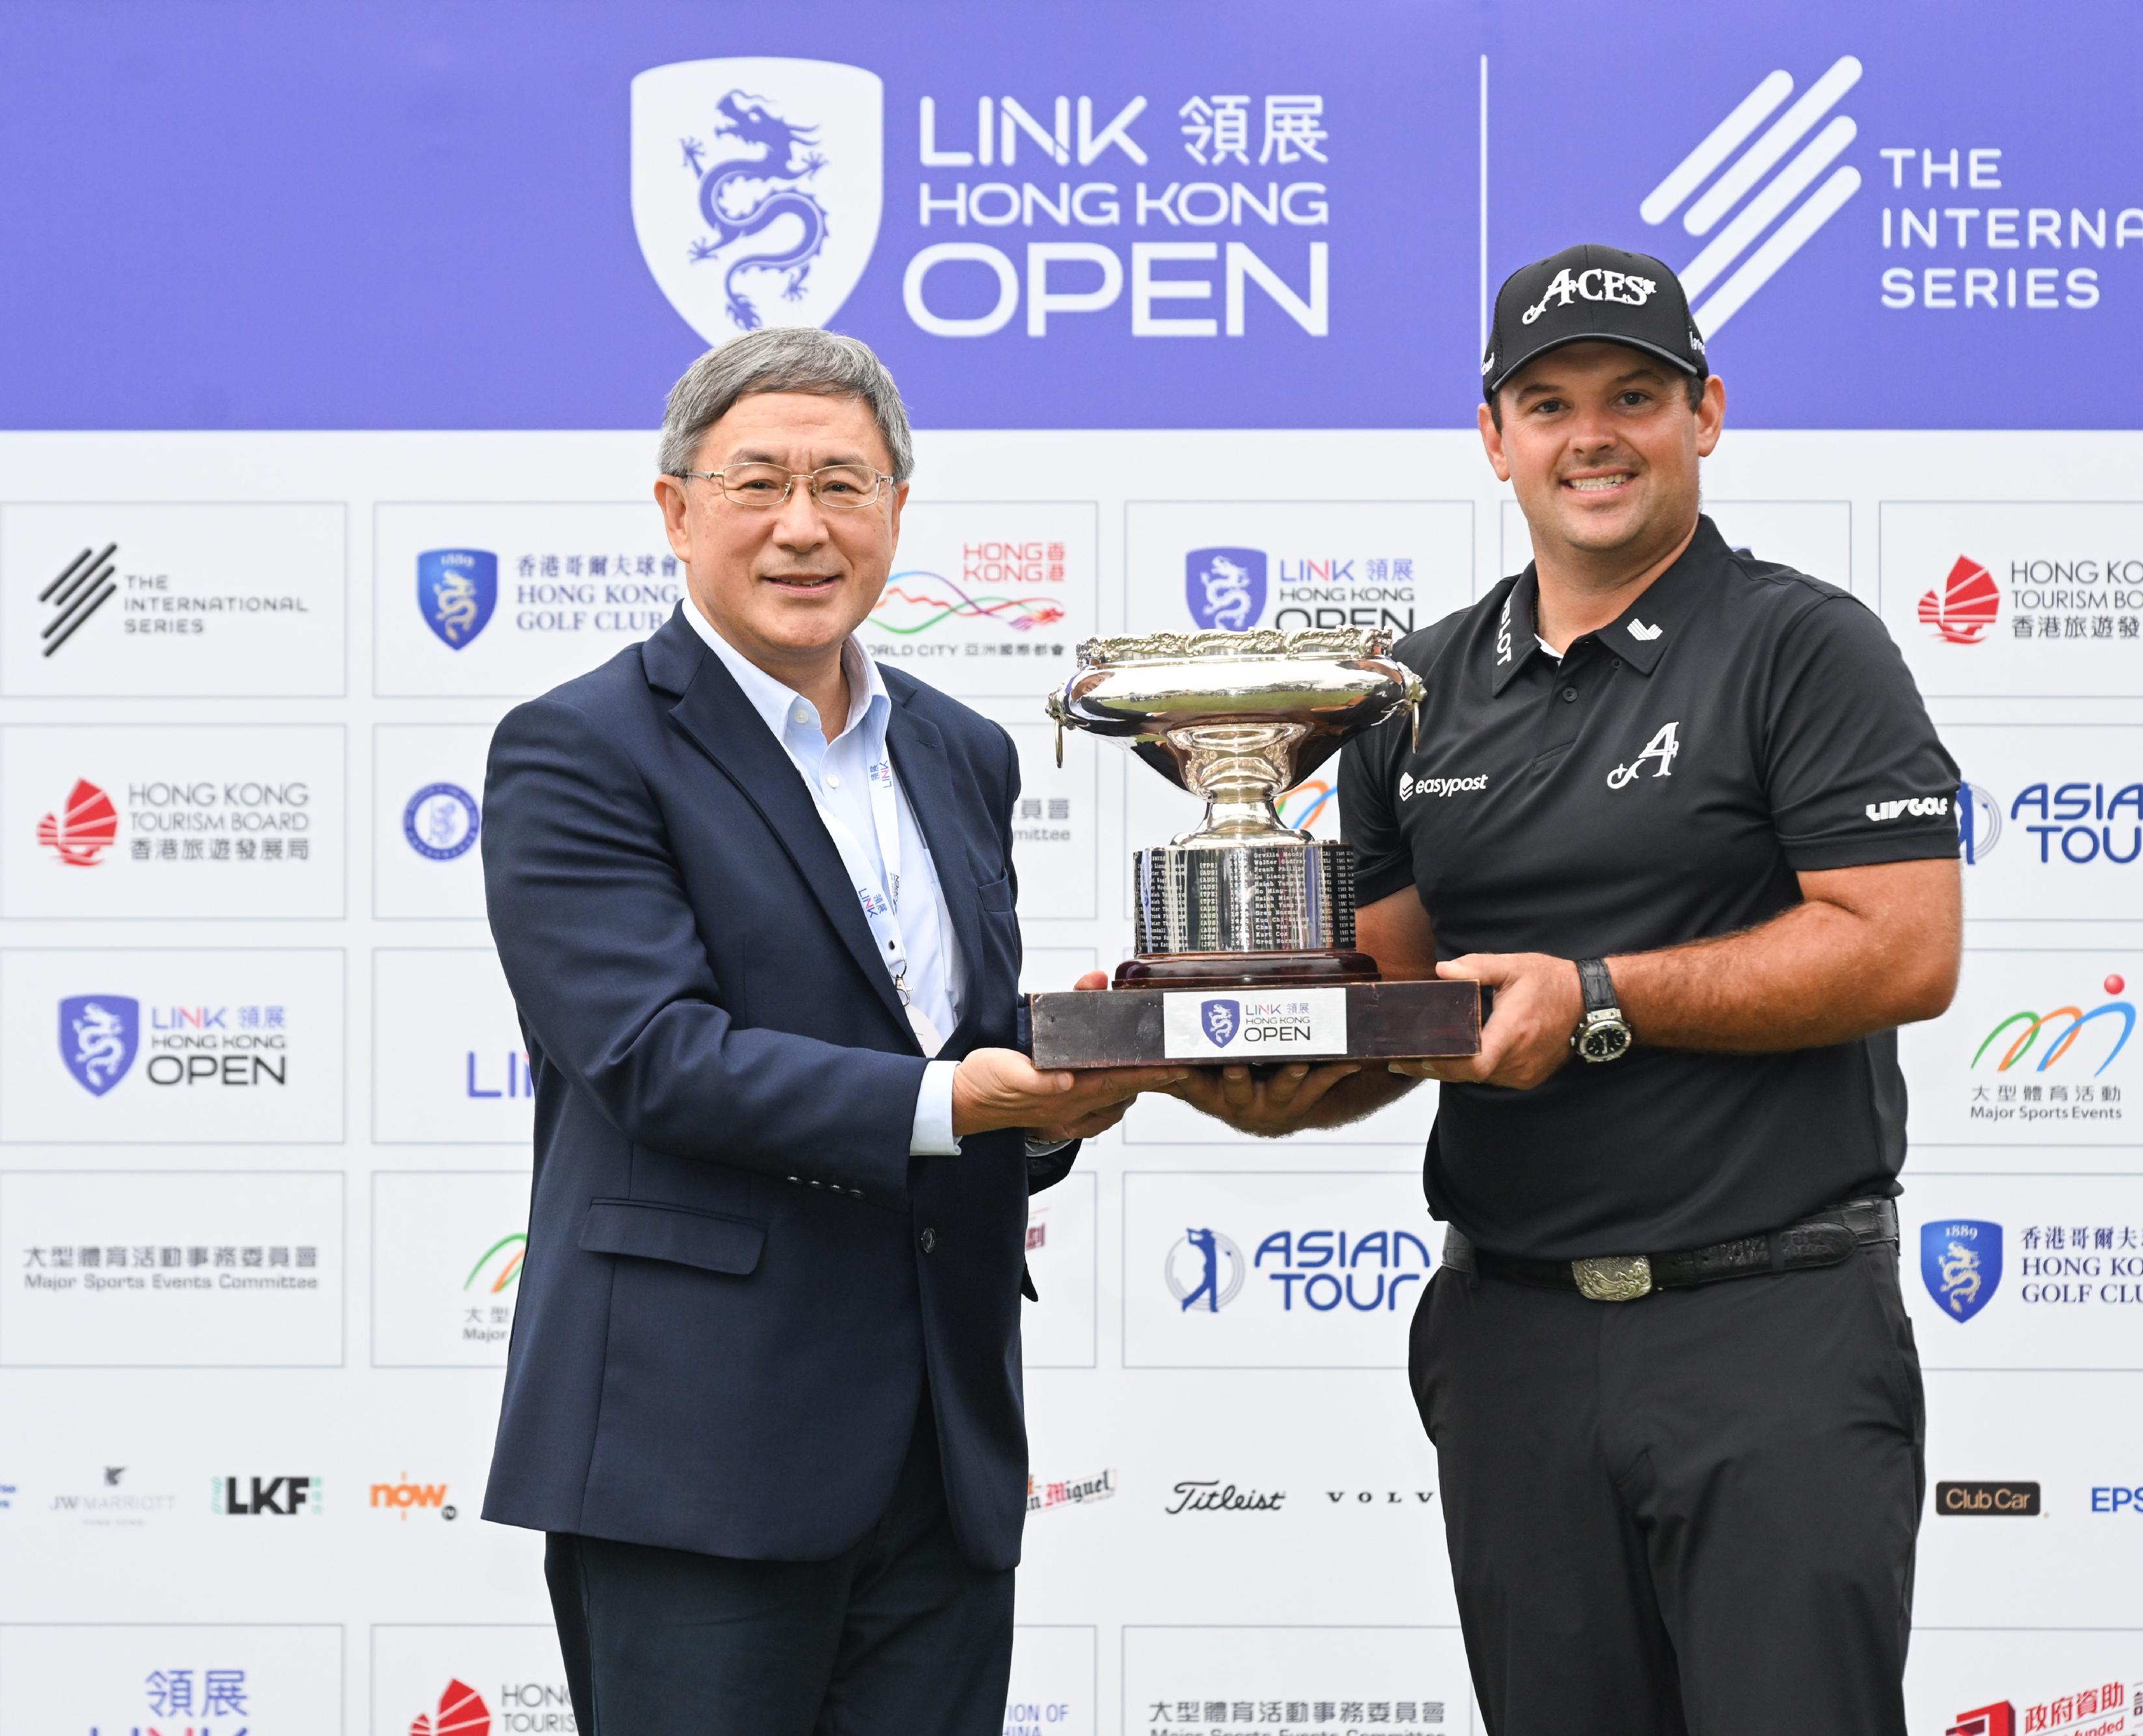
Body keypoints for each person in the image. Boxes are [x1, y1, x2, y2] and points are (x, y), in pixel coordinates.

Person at [1169, 243, 1964, 1733]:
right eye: (1546, 401)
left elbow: (1899, 944)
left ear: (1705, 412)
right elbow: (1398, 1011)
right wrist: (1242, 1061)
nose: (1588, 433)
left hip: (1768, 1323)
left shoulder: (1802, 645)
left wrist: (1597, 996)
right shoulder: (1408, 689)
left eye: (1632, 394)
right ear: (1492, 437)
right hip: (1513, 1332)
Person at [478, 327, 1183, 1735]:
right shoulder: (580, 749)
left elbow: (958, 1041)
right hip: (698, 1453)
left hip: (943, 1445)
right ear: (676, 509)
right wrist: (967, 1102)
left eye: (844, 485)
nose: (803, 525)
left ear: (897, 513)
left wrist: (1062, 1096)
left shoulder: (959, 750)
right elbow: (653, 1057)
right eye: (758, 483)